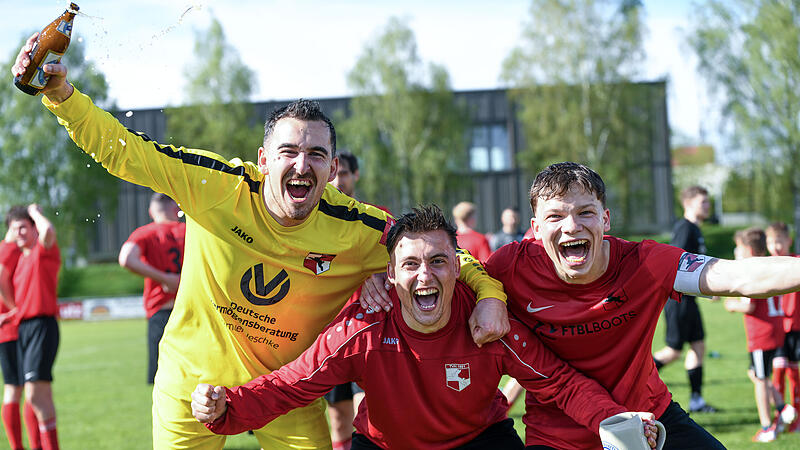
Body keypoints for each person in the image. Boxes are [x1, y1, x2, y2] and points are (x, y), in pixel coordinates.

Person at [12, 37, 509, 449]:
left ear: (333, 170)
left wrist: (489, 296)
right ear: (263, 159)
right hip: (190, 382)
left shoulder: (357, 226)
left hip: (284, 393)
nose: (302, 164)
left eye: (317, 154)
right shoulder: (217, 187)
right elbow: (127, 153)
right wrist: (61, 96)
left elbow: (441, 254)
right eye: (288, 151)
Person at [190, 205, 661, 449]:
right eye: (410, 264)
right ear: (390, 275)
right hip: (384, 446)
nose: (425, 275)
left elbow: (557, 381)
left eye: (438, 261)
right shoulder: (365, 327)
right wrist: (225, 407)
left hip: (480, 442)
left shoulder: (487, 322)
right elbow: (295, 382)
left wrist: (611, 420)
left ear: (458, 268)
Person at [484, 161, 800, 449]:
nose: (570, 226)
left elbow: (736, 276)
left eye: (585, 212)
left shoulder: (645, 262)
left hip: (651, 420)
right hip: (559, 438)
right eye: (555, 216)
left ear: (605, 220)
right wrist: (488, 295)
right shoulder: (509, 267)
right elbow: (448, 275)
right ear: (536, 228)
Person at [652, 185, 716, 413]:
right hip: (678, 302)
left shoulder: (696, 229)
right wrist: (706, 289)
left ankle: (697, 400)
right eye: (703, 202)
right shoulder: (685, 229)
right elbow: (677, 265)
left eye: (708, 202)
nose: (708, 206)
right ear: (688, 204)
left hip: (690, 301)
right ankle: (634, 377)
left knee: (698, 346)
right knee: (673, 351)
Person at [724, 228, 790, 442]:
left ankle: (766, 427)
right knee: (756, 374)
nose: (736, 251)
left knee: (761, 380)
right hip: (775, 328)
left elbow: (749, 305)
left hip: (762, 334)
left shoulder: (752, 270)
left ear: (749, 250)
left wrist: (732, 305)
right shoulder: (768, 264)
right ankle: (784, 409)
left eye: (739, 248)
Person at [6, 205, 60, 450]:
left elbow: (48, 230)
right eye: (14, 229)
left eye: (23, 228)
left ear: (33, 228)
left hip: (42, 326)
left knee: (34, 396)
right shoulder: (20, 260)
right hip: (25, 329)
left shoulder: (42, 251)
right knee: (41, 397)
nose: (19, 233)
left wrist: (35, 213)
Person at [324, 151, 369, 450]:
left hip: (367, 330)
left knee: (366, 410)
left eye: (344, 174)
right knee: (338, 417)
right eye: (335, 174)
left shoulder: (374, 217)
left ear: (354, 176)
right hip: (329, 332)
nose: (339, 180)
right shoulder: (314, 222)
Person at [118, 193, 185, 384]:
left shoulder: (145, 233)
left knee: (163, 382)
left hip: (161, 312)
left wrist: (164, 278)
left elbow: (126, 258)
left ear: (151, 212)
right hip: (192, 311)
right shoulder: (190, 231)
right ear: (176, 210)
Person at [0, 228, 40, 450]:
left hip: (11, 328)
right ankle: (25, 446)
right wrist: (16, 309)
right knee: (23, 388)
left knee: (19, 387)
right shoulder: (8, 249)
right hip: (12, 327)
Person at [766, 221, 800, 432]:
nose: (776, 246)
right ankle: (780, 418)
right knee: (777, 372)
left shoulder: (796, 262)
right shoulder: (766, 265)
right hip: (776, 329)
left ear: (789, 241)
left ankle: (796, 418)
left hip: (795, 328)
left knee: (793, 373)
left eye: (779, 241)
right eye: (771, 242)